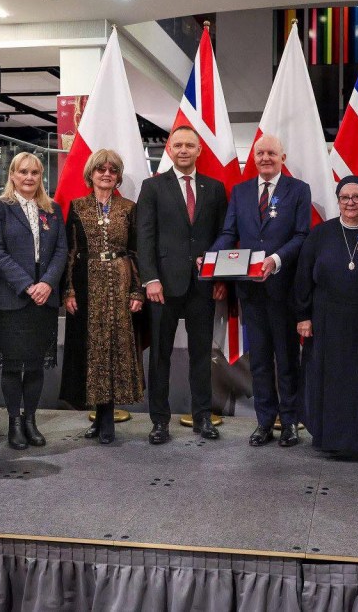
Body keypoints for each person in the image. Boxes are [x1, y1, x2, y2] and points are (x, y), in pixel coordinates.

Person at [212, 134, 311, 447]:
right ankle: (264, 422)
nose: (265, 158)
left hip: (284, 289)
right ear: (252, 158)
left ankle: (291, 421)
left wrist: (276, 259)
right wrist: (211, 260)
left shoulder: (298, 190)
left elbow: (301, 235)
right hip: (250, 293)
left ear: (282, 157)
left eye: (271, 153)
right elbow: (229, 233)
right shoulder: (240, 192)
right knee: (259, 363)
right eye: (260, 153)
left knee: (286, 359)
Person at [136, 126, 227, 445]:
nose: (184, 150)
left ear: (200, 150)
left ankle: (203, 416)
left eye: (190, 145)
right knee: (160, 355)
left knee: (202, 354)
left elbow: (222, 236)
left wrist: (219, 277)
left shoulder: (215, 188)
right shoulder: (152, 187)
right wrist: (150, 278)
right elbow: (144, 237)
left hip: (203, 285)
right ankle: (159, 421)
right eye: (179, 145)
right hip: (162, 286)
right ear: (169, 150)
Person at [293, 176, 358, 458]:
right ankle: (332, 440)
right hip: (327, 321)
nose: (351, 202)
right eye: (344, 197)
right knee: (333, 381)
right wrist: (303, 315)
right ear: (337, 201)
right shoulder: (320, 233)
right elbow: (303, 277)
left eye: (357, 197)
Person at [61, 149, 145, 445]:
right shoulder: (77, 206)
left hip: (121, 285)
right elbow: (70, 251)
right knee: (92, 348)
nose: (106, 174)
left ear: (118, 175)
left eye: (112, 170)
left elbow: (136, 251)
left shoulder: (129, 207)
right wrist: (68, 290)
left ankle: (107, 418)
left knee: (115, 348)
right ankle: (99, 416)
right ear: (91, 174)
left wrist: (137, 290)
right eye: (101, 170)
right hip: (87, 284)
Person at [0, 152, 68, 450]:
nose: (29, 177)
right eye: (23, 172)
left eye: (35, 172)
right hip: (11, 298)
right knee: (11, 365)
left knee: (35, 365)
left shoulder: (52, 209)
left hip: (43, 299)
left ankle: (31, 420)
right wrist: (26, 285)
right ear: (12, 175)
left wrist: (46, 283)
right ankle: (14, 423)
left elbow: (61, 251)